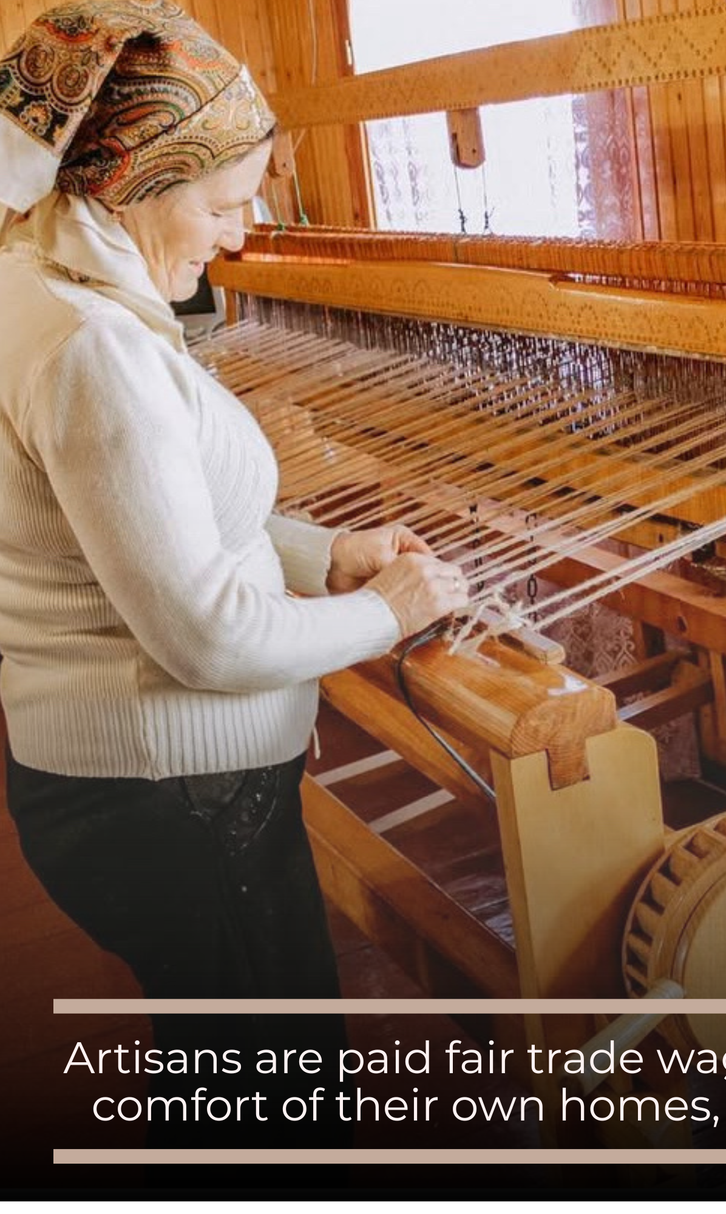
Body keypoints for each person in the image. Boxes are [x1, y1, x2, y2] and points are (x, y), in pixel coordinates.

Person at [0, 1, 468, 1145]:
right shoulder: (93, 347)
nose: (242, 231)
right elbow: (204, 634)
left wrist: (322, 552)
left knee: (230, 1081)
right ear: (137, 180)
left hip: (121, 790)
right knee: (276, 1109)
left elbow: (136, 522)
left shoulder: (43, 282)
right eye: (222, 201)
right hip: (168, 801)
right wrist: (381, 607)